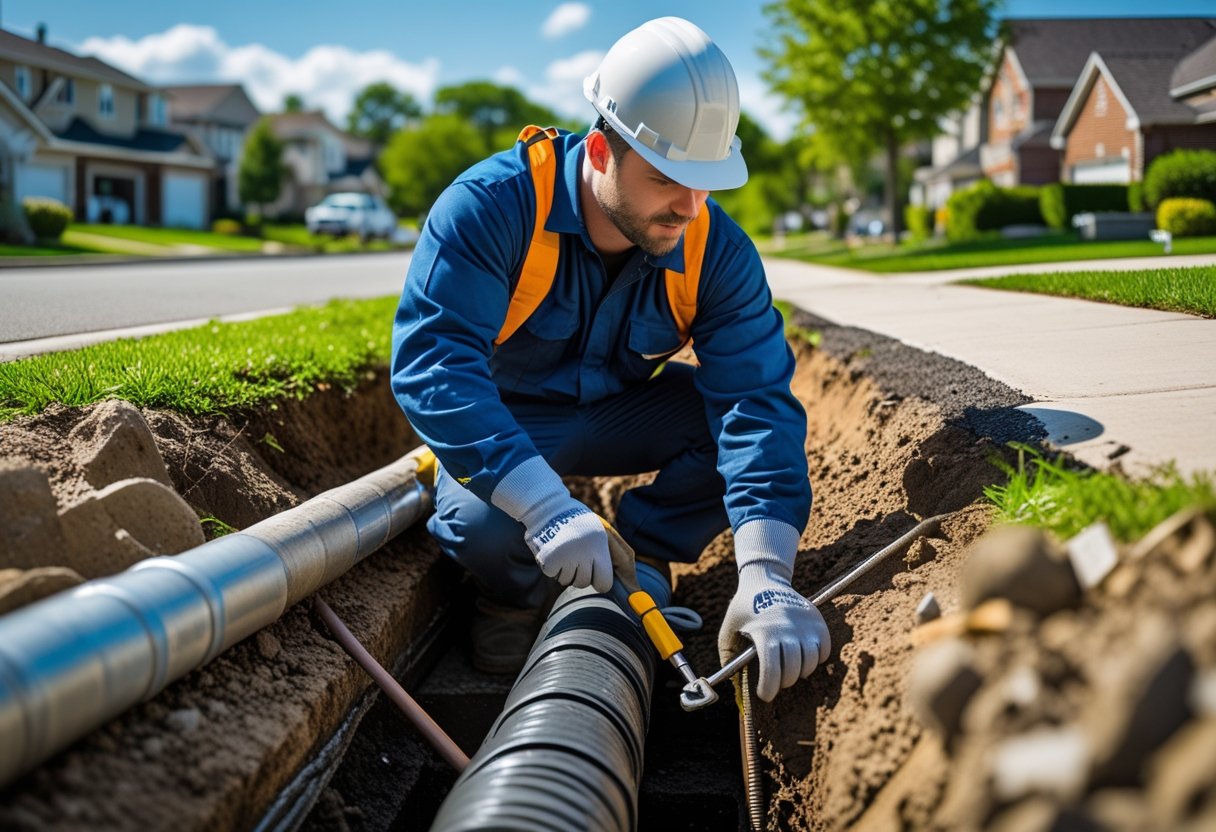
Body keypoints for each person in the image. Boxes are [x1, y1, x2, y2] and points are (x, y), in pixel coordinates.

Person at [391, 16, 829, 702]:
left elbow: (755, 404)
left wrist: (768, 573)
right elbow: (433, 366)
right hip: (509, 423)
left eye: (706, 181)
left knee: (727, 427)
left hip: (624, 415)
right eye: (665, 179)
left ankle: (643, 553)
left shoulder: (716, 250)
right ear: (600, 150)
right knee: (479, 528)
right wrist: (543, 508)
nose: (688, 207)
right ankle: (514, 601)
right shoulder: (492, 209)